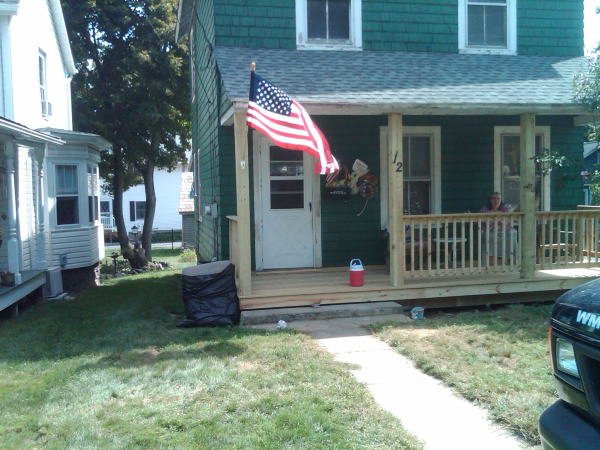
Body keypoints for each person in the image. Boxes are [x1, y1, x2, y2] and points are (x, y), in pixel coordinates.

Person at [479, 192, 517, 266]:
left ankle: (511, 264)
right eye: (494, 199)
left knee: (512, 238)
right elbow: (478, 219)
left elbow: (513, 219)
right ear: (490, 200)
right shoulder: (485, 209)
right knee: (490, 238)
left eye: (498, 199)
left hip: (505, 231)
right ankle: (491, 266)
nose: (496, 201)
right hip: (490, 231)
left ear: (500, 200)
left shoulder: (505, 209)